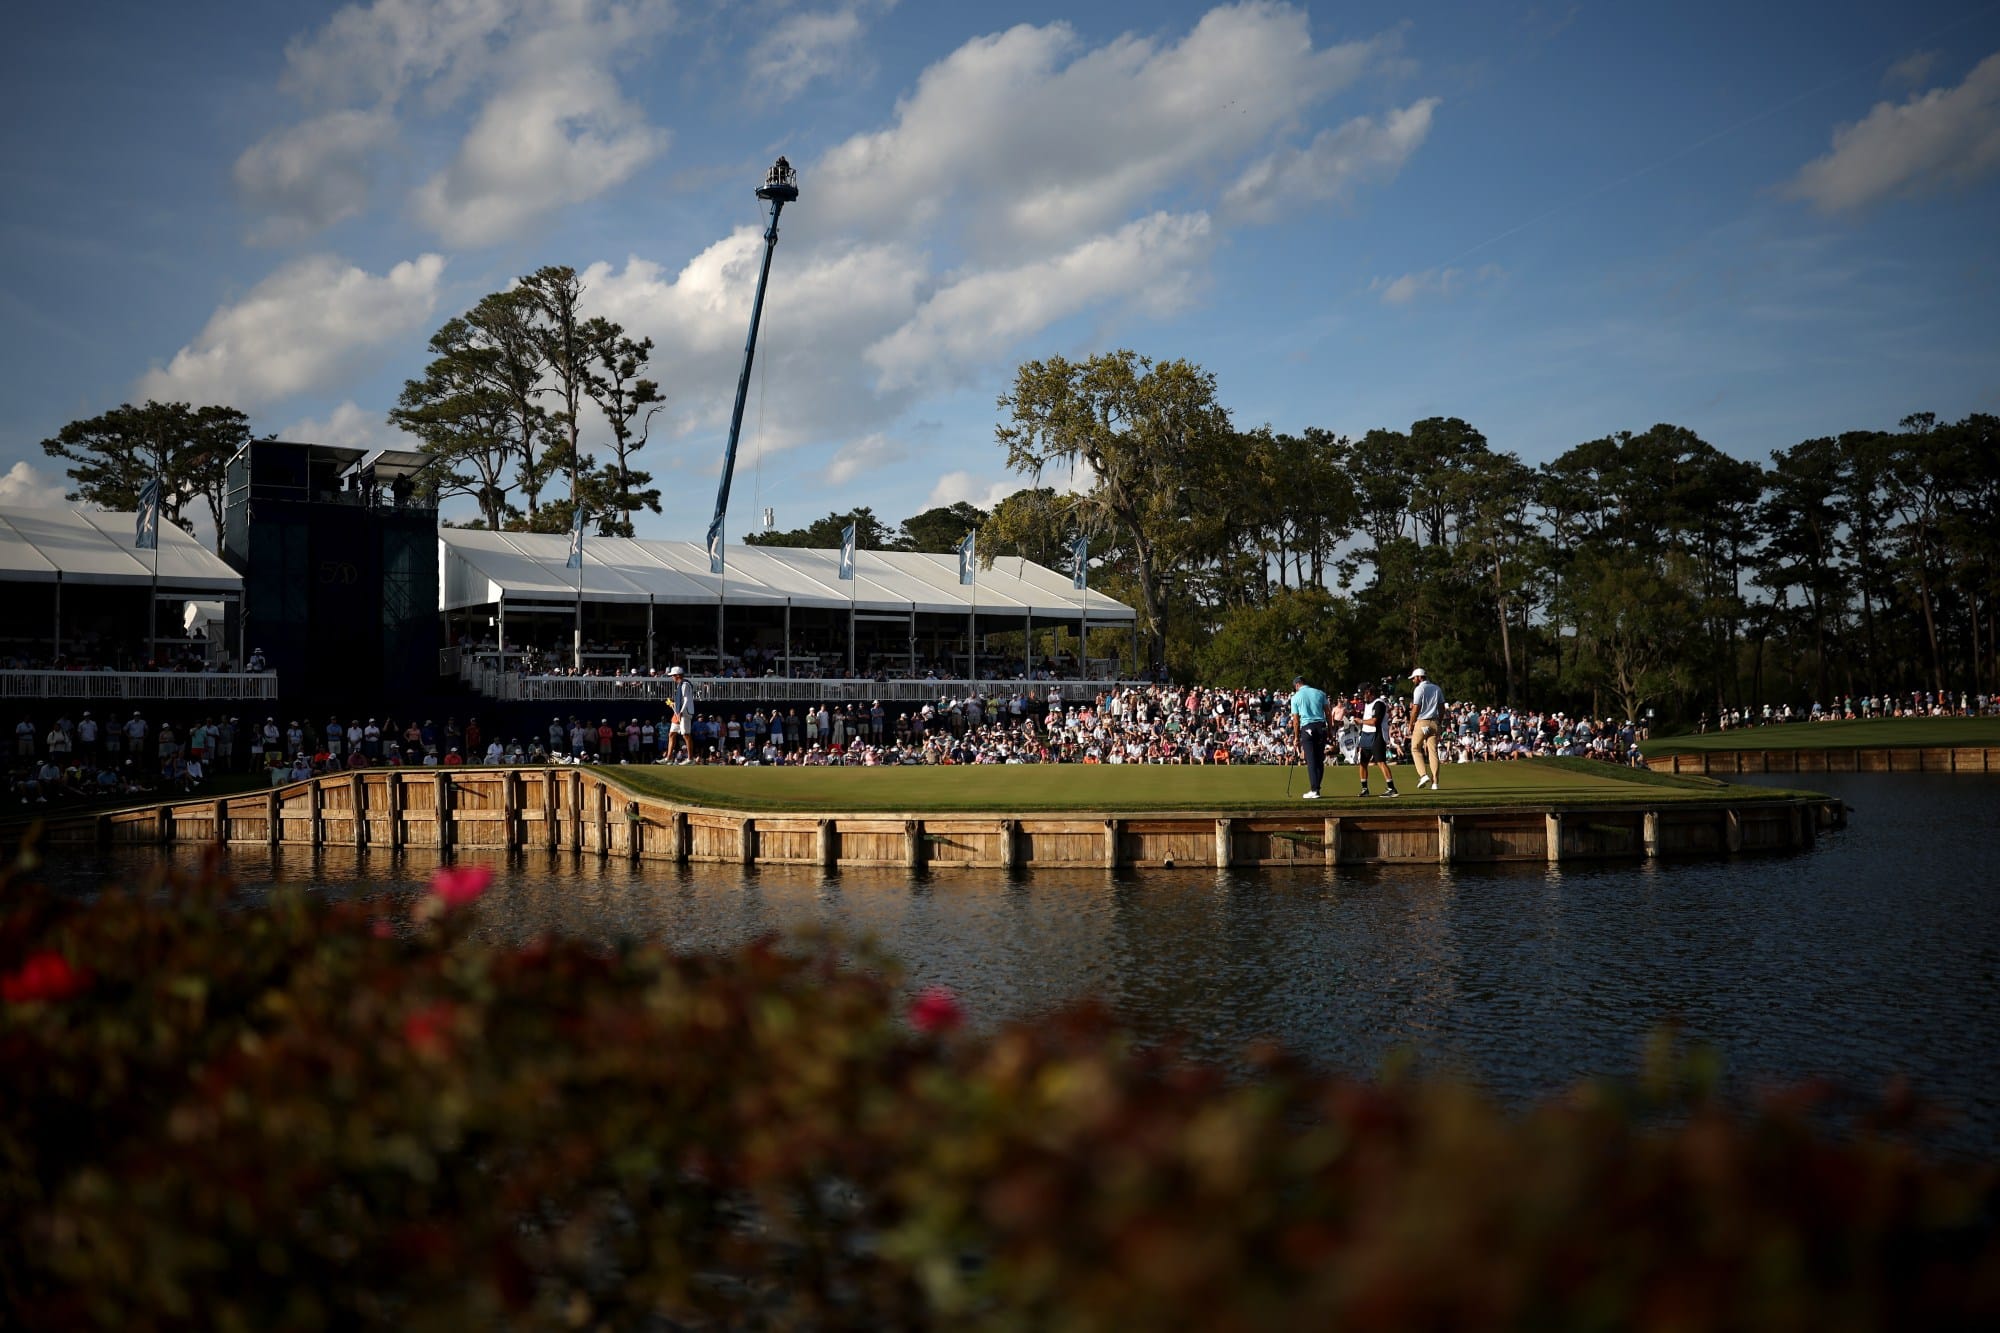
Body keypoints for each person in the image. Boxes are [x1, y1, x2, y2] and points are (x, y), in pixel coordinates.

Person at [1286, 673, 1330, 800]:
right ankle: (1317, 788)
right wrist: (1331, 729)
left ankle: (1314, 790)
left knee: (1311, 760)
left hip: (1307, 728)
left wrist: (1296, 737)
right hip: (1321, 727)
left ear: (1297, 684)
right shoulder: (1320, 693)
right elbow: (1328, 712)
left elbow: (1295, 720)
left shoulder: (1295, 697)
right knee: (1319, 759)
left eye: (1295, 686)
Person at [1354, 685, 1399, 798]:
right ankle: (1364, 789)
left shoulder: (1379, 703)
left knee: (1380, 762)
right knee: (1363, 763)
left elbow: (1375, 721)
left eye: (1363, 693)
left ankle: (1391, 788)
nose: (1362, 697)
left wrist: (1361, 721)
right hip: (1366, 734)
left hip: (1377, 735)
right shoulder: (1368, 704)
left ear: (1369, 692)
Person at [1408, 667, 1444, 790]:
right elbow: (1442, 707)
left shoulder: (1419, 689)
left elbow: (1416, 709)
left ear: (1419, 677)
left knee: (1415, 748)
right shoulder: (1437, 688)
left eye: (1414, 678)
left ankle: (1423, 775)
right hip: (1434, 722)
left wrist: (1411, 724)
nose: (1413, 680)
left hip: (1422, 722)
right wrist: (1439, 722)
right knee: (1433, 752)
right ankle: (1435, 783)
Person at [664, 666, 695, 763]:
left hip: (684, 713)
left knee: (686, 735)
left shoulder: (685, 684)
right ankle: (668, 758)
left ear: (677, 675)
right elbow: (682, 700)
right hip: (679, 712)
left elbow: (686, 699)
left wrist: (680, 711)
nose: (672, 677)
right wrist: (673, 704)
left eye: (673, 675)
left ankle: (690, 759)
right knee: (672, 733)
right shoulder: (680, 685)